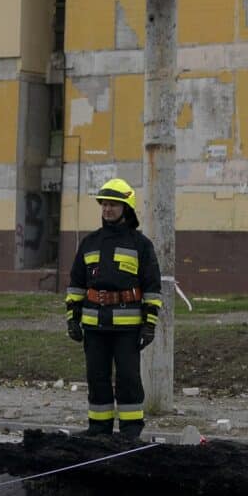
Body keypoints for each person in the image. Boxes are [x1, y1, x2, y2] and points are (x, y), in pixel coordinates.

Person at [64, 178, 163, 437]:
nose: (107, 209)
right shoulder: (89, 243)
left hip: (128, 327)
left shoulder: (141, 245)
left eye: (113, 205)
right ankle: (99, 429)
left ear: (126, 209)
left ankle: (130, 430)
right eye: (104, 204)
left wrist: (149, 324)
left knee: (128, 379)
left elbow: (152, 288)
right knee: (97, 377)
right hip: (94, 323)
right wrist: (72, 319)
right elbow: (76, 285)